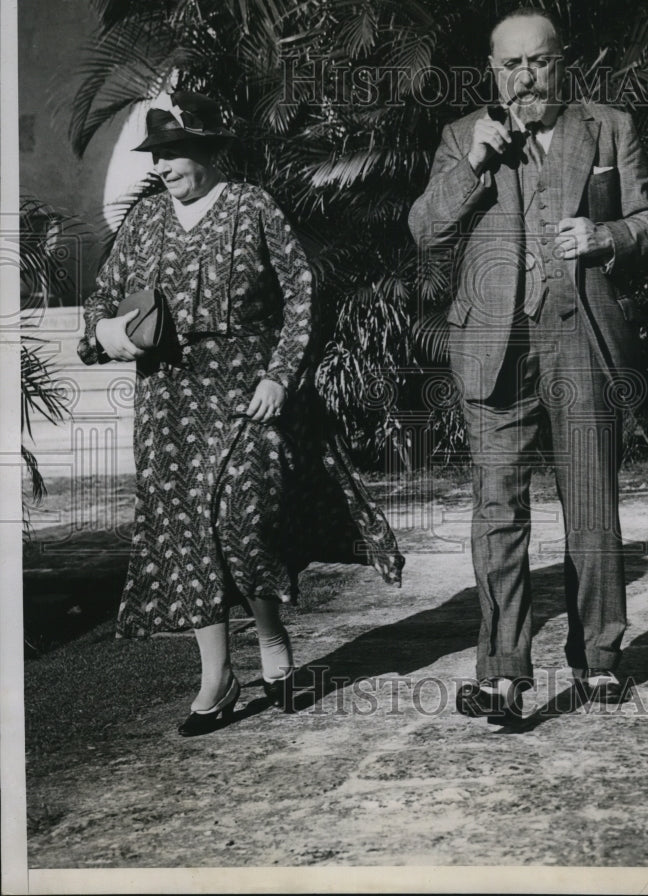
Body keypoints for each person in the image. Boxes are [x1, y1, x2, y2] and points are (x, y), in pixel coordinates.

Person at [78, 90, 404, 735]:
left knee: (241, 517)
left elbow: (302, 296)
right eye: (157, 155)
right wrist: (106, 335)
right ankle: (217, 678)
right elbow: (102, 302)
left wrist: (281, 376)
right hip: (170, 402)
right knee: (189, 534)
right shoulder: (144, 220)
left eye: (174, 153)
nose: (164, 165)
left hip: (246, 391)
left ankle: (272, 635)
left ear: (206, 153)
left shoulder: (252, 206)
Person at [409, 8, 648, 721]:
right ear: (492, 71)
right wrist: (472, 166)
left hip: (577, 336)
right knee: (497, 511)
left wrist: (603, 233)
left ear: (562, 62)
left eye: (538, 62)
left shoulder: (606, 126)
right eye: (510, 65)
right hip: (492, 347)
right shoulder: (463, 137)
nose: (526, 77)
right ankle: (502, 673)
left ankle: (600, 661)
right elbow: (424, 229)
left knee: (589, 507)